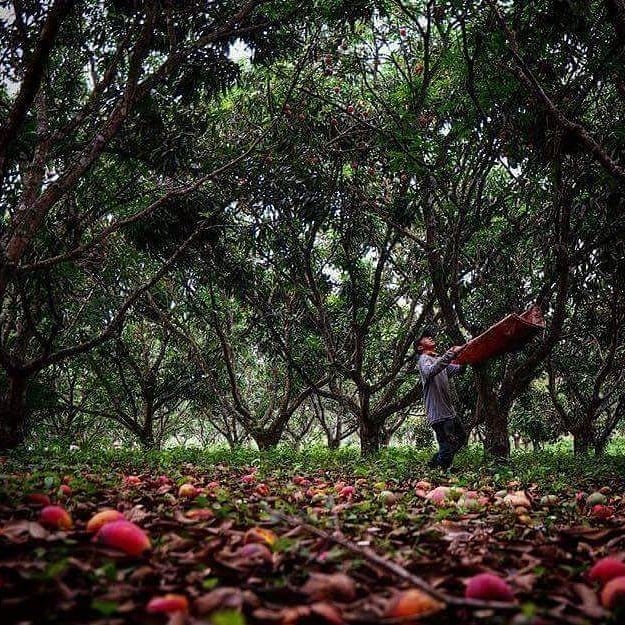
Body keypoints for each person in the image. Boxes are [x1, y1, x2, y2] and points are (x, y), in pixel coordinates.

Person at [416, 330, 468, 470]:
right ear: (420, 348)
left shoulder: (439, 361)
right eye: (426, 338)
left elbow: (458, 370)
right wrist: (451, 352)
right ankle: (441, 471)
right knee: (446, 443)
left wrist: (467, 354)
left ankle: (435, 464)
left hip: (449, 411)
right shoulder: (423, 360)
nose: (431, 337)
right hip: (439, 414)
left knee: (461, 437)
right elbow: (430, 371)